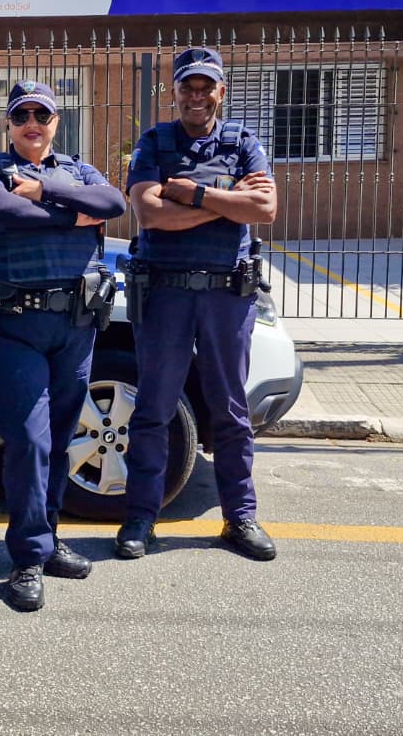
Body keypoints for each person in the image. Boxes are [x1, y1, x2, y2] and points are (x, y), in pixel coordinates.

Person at [0, 81, 126, 611]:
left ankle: (49, 536)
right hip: (16, 327)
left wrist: (42, 191)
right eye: (22, 116)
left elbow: (113, 202)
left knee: (60, 440)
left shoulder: (79, 169)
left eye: (42, 115)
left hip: (75, 328)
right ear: (8, 124)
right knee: (29, 442)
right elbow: (1, 211)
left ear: (56, 122)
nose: (32, 124)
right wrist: (72, 216)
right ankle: (28, 558)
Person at [118, 47, 279, 562]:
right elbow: (149, 214)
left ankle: (240, 517)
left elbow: (265, 208)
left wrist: (191, 194)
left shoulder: (243, 142)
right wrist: (228, 202)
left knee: (230, 409)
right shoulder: (155, 141)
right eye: (187, 87)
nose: (196, 96)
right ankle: (140, 518)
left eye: (206, 87)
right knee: (153, 409)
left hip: (227, 295)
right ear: (174, 92)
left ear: (220, 92)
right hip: (165, 294)